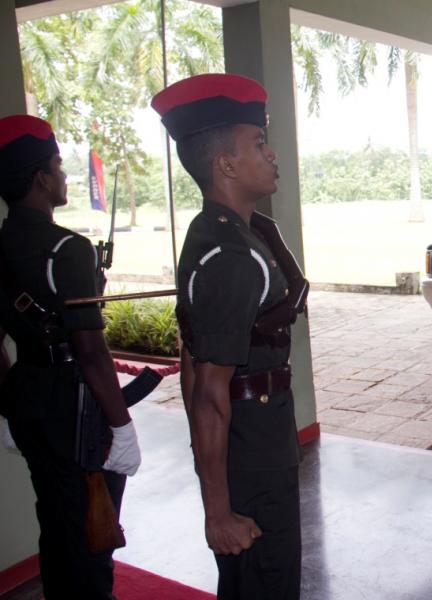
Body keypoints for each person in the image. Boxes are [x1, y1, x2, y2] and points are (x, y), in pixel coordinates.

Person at [151, 73, 308, 599]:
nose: (271, 153)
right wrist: (217, 513)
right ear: (226, 165)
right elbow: (208, 391)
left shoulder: (232, 232)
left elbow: (193, 357)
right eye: (258, 143)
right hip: (251, 453)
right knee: (265, 581)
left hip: (256, 438)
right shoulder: (231, 255)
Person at [0, 115, 141, 599]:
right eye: (58, 167)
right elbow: (91, 351)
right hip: (76, 409)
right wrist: (122, 425)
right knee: (92, 538)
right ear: (41, 178)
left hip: (28, 399)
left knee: (56, 526)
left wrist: (9, 404)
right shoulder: (67, 248)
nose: (63, 176)